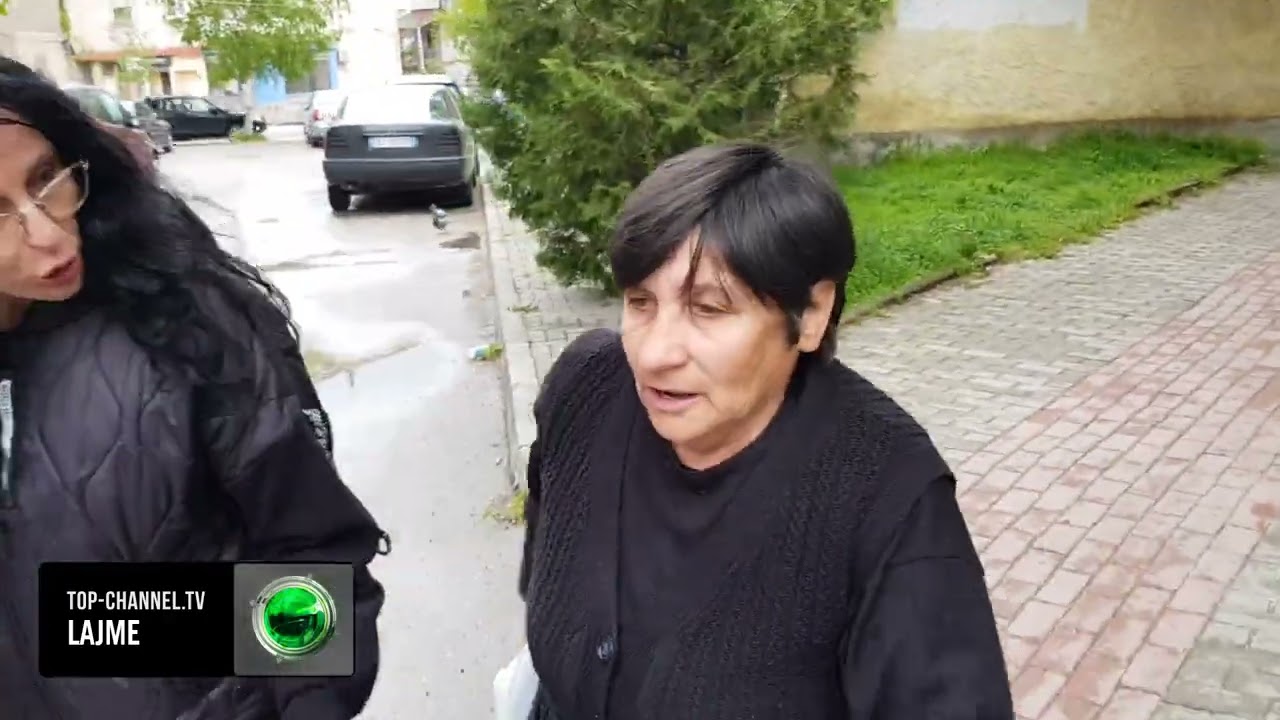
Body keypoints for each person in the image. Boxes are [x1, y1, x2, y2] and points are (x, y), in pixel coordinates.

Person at [518, 143, 1014, 719]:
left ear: (810, 315)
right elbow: (545, 562)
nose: (653, 355)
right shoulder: (585, 390)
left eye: (708, 309)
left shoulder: (886, 493)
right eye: (640, 302)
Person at [0, 58, 389, 718]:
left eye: (46, 179)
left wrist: (96, 625)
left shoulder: (186, 321)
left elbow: (318, 576)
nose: (46, 233)